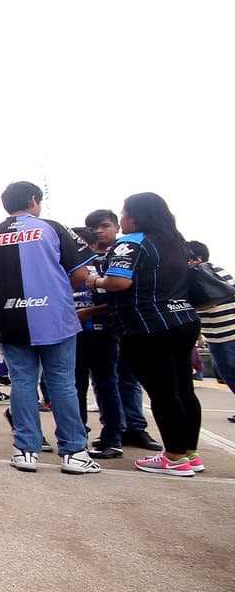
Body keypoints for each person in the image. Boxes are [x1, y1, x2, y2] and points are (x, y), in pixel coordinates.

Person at [0, 181, 101, 475]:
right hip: (56, 318)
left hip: (12, 318)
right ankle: (74, 452)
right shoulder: (53, 228)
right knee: (63, 383)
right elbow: (80, 273)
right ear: (33, 200)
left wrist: (6, 293)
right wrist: (54, 290)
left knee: (23, 384)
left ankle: (26, 450)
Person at [92, 194, 202, 476]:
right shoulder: (177, 243)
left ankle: (174, 457)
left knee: (163, 393)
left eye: (124, 213)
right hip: (183, 320)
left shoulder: (131, 242)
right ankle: (190, 453)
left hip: (148, 325)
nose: (123, 218)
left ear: (135, 217)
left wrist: (94, 280)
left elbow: (118, 281)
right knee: (183, 390)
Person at [187, 241, 235, 422]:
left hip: (229, 331)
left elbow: (215, 300)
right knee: (225, 372)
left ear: (196, 258)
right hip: (215, 334)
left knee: (231, 370)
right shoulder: (194, 277)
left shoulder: (212, 272)